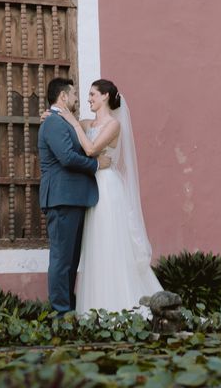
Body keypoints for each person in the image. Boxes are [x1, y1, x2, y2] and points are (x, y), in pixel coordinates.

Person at [57, 79, 163, 314]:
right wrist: (52, 117)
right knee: (95, 244)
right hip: (91, 186)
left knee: (109, 241)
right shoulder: (89, 122)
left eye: (93, 94)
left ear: (105, 96)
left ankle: (120, 303)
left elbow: (91, 149)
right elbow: (65, 125)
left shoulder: (113, 125)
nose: (89, 99)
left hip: (107, 188)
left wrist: (74, 123)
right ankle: (96, 306)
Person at [38, 78, 111, 316]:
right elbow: (67, 157)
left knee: (70, 259)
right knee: (61, 259)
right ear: (63, 97)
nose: (77, 98)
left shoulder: (63, 121)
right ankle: (61, 312)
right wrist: (96, 164)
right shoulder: (53, 123)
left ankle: (68, 307)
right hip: (62, 198)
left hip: (74, 198)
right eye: (74, 94)